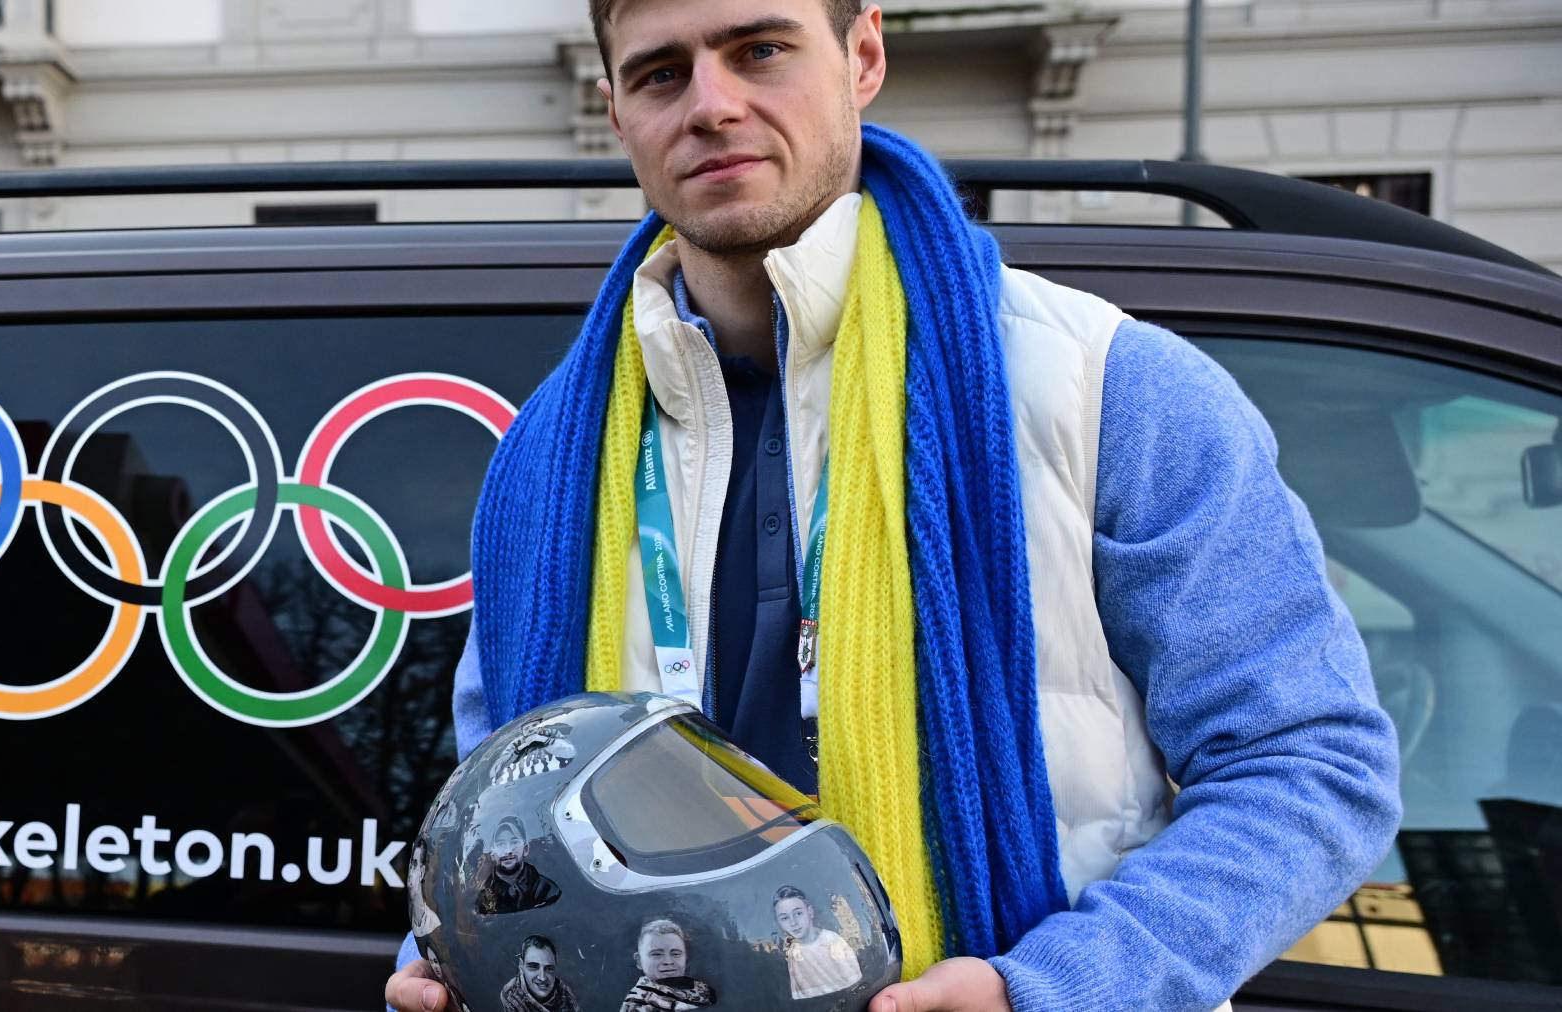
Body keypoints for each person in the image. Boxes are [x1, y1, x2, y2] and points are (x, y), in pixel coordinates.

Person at [388, 1, 1400, 1010]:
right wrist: (451, 957)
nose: (712, 104)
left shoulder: (1102, 387)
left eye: (760, 50)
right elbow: (505, 808)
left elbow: (1309, 763)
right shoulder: (543, 462)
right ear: (616, 111)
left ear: (863, 53)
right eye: (662, 73)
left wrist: (1046, 993)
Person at [774, 885, 863, 999]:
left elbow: (854, 983)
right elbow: (801, 994)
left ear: (810, 912)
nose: (793, 923)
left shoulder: (831, 941)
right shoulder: (794, 953)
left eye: (798, 913)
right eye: (785, 918)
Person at [620, 918, 717, 1011]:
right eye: (657, 954)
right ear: (639, 961)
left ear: (686, 957)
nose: (668, 961)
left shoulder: (702, 989)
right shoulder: (638, 1002)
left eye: (676, 954)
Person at [474, 816, 561, 916]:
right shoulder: (482, 893)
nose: (508, 851)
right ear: (492, 854)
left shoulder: (547, 890)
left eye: (514, 842)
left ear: (526, 849)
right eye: (501, 844)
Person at [500, 935, 582, 1012]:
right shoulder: (511, 994)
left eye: (549, 968)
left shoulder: (566, 995)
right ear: (521, 965)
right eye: (533, 967)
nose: (542, 977)